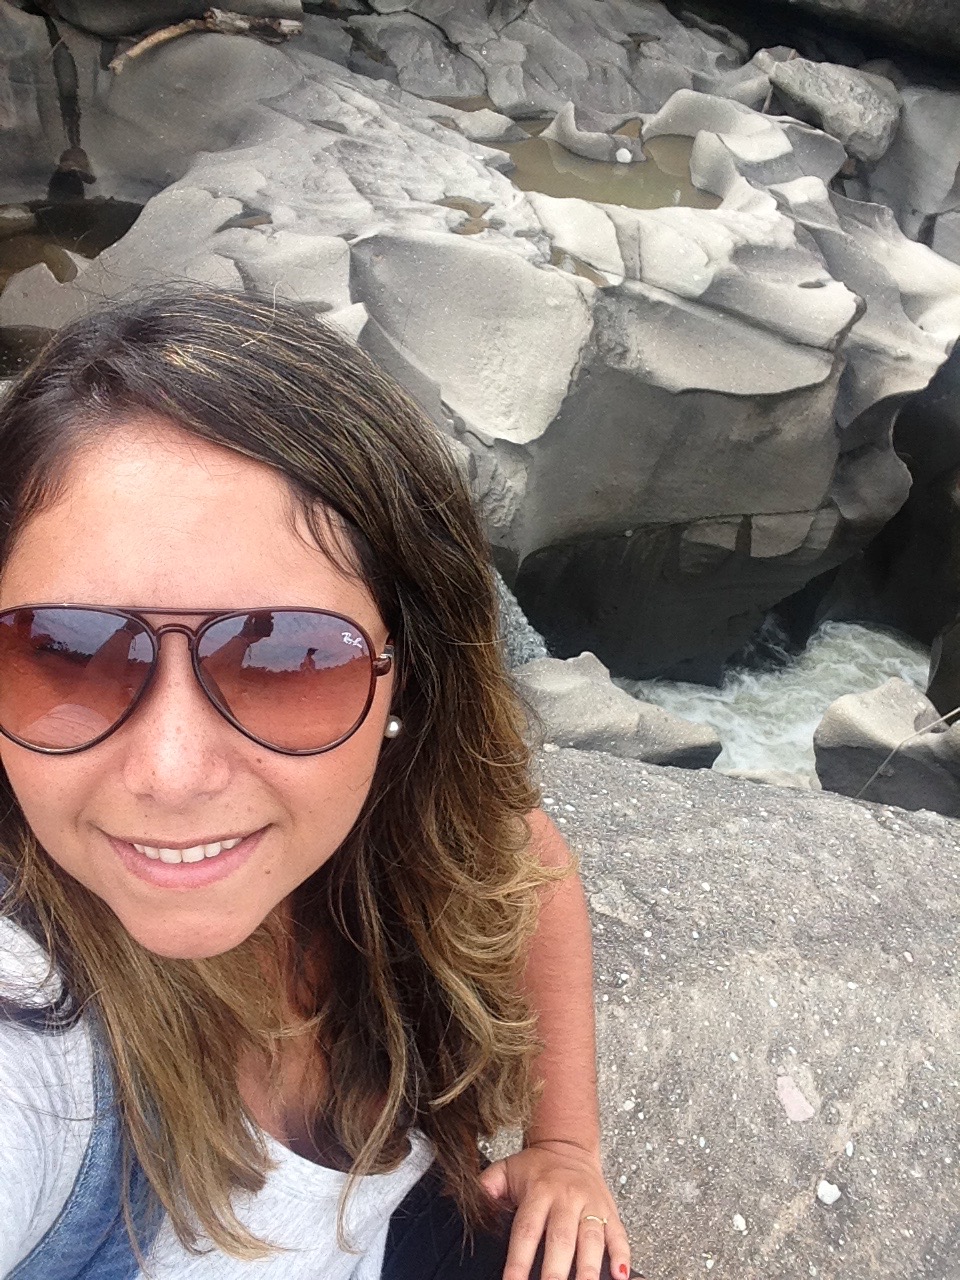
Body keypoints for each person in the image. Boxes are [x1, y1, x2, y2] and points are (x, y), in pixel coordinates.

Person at [0, 288, 640, 1280]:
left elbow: (517, 846)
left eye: (286, 658)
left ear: (406, 676)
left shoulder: (414, 827)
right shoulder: (27, 1029)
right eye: (65, 652)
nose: (171, 772)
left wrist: (565, 1143)